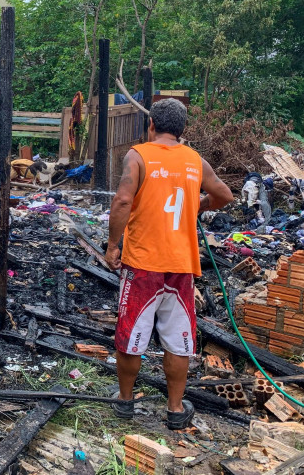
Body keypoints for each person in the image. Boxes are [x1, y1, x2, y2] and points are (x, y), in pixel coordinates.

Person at [104, 98, 233, 430]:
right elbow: (224, 195)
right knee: (178, 338)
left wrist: (113, 245)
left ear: (151, 125)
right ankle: (175, 409)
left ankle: (125, 401)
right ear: (182, 130)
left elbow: (121, 200)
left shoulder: (139, 155)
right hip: (182, 266)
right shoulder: (195, 161)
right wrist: (198, 206)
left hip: (143, 262)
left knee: (132, 334)